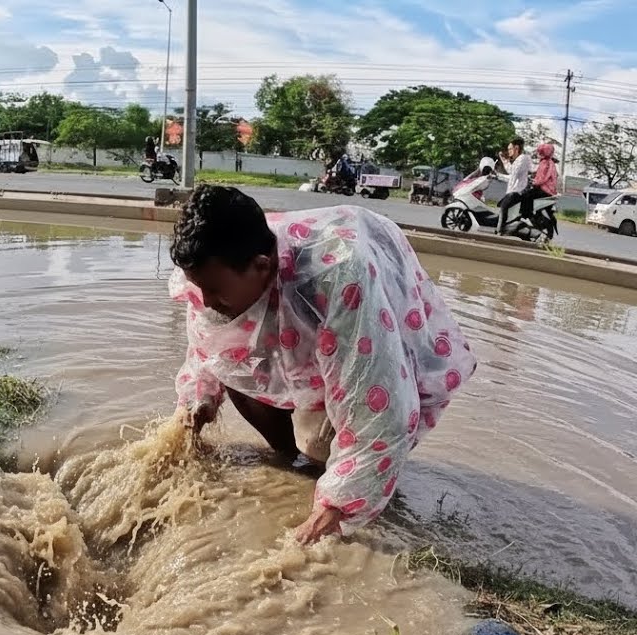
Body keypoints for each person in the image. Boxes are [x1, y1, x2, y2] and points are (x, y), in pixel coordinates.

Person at [170, 185, 478, 545]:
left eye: (215, 291)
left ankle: (324, 471)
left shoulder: (341, 280)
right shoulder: (219, 268)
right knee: (237, 373)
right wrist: (197, 404)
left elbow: (380, 412)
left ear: (261, 265)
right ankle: (290, 462)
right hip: (300, 317)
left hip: (371, 327)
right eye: (199, 289)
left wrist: (331, 513)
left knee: (322, 448)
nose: (205, 302)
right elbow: (210, 347)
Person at [496, 137, 529, 235]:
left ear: (516, 148)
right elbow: (511, 172)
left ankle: (500, 230)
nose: (509, 151)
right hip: (516, 190)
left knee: (503, 206)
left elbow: (512, 177)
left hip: (517, 191)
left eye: (510, 149)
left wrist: (499, 176)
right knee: (501, 205)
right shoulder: (519, 160)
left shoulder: (521, 159)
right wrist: (503, 161)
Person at [520, 143, 558, 220]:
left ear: (543, 153)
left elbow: (542, 178)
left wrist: (534, 182)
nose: (538, 154)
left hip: (544, 189)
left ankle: (526, 217)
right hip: (550, 190)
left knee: (525, 195)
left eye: (540, 152)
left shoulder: (544, 163)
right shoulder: (551, 163)